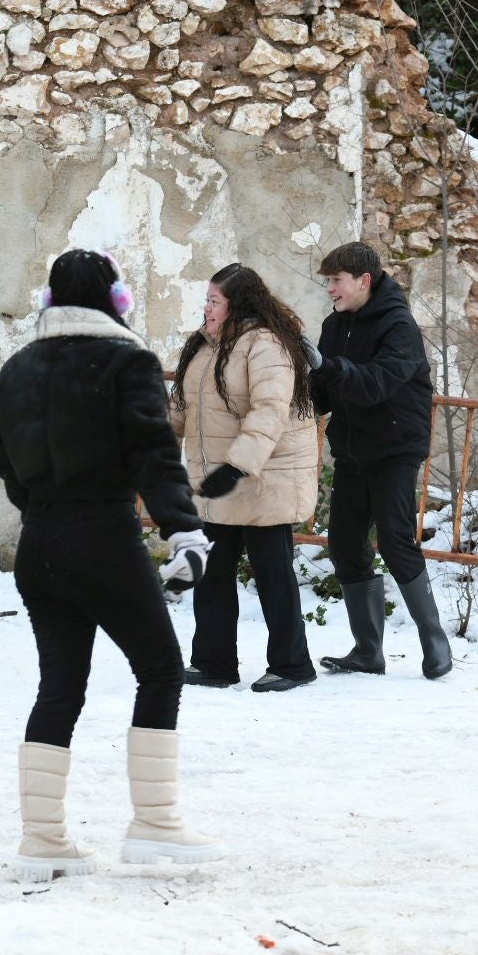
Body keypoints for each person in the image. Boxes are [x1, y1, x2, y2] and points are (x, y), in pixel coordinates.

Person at [0, 248, 224, 882]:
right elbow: (153, 449)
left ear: (50, 299)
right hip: (104, 536)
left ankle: (42, 840)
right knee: (161, 671)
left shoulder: (14, 370)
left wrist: (46, 504)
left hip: (39, 543)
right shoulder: (129, 360)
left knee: (60, 687)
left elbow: (7, 464)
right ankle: (155, 825)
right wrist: (184, 530)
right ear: (114, 299)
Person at [303, 242, 452, 679]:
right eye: (327, 281)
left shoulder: (398, 325)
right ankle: (368, 650)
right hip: (352, 451)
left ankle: (435, 643)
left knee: (395, 540)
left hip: (395, 450)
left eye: (337, 281)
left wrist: (327, 367)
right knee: (346, 543)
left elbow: (374, 385)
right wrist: (299, 376)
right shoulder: (336, 326)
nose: (330, 289)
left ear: (363, 281)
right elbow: (327, 394)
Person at [169, 263, 320, 693]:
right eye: (207, 300)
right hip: (220, 480)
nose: (207, 307)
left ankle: (293, 665)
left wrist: (237, 465)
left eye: (214, 300)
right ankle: (213, 663)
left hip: (264, 477)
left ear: (237, 304)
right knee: (212, 573)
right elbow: (181, 408)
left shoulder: (266, 346)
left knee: (273, 573)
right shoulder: (205, 347)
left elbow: (268, 410)